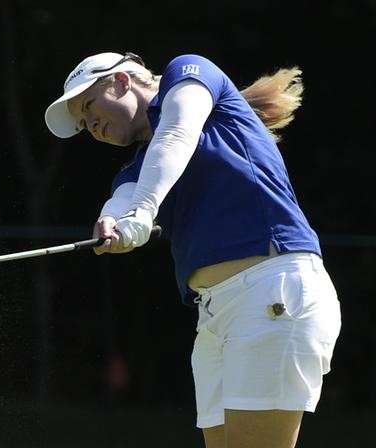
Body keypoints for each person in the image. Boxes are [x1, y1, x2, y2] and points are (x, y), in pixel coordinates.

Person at [44, 52, 341, 448]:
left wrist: (142, 211)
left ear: (119, 81)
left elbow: (176, 134)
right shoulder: (137, 168)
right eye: (82, 123)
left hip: (272, 293)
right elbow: (123, 200)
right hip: (216, 317)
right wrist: (114, 222)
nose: (89, 124)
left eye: (88, 106)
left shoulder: (189, 73)